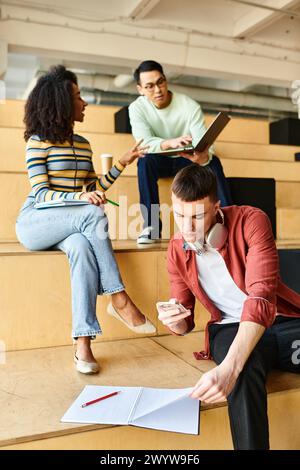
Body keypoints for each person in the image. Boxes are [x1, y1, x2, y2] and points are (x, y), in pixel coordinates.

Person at [16, 65, 156, 375]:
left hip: (73, 223)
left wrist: (121, 163)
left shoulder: (82, 144)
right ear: (62, 104)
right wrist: (81, 199)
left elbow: (94, 190)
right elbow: (41, 195)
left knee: (80, 247)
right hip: (36, 222)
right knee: (92, 213)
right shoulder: (37, 141)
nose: (84, 103)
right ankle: (119, 298)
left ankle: (83, 344)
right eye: (78, 97)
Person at [157, 164, 300, 450]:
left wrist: (229, 368)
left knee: (235, 368)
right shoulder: (176, 248)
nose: (187, 227)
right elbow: (184, 317)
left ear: (216, 208)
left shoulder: (252, 220)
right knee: (241, 374)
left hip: (280, 320)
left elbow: (261, 296)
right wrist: (174, 320)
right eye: (180, 215)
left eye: (197, 216)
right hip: (229, 327)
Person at [128, 60, 232, 244]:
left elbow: (205, 140)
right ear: (140, 89)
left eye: (160, 82)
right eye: (149, 86)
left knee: (213, 162)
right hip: (159, 159)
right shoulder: (136, 108)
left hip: (187, 159)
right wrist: (169, 143)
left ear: (166, 80)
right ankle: (151, 226)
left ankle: (227, 222)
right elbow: (143, 144)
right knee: (144, 161)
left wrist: (203, 156)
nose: (158, 90)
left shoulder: (189, 105)